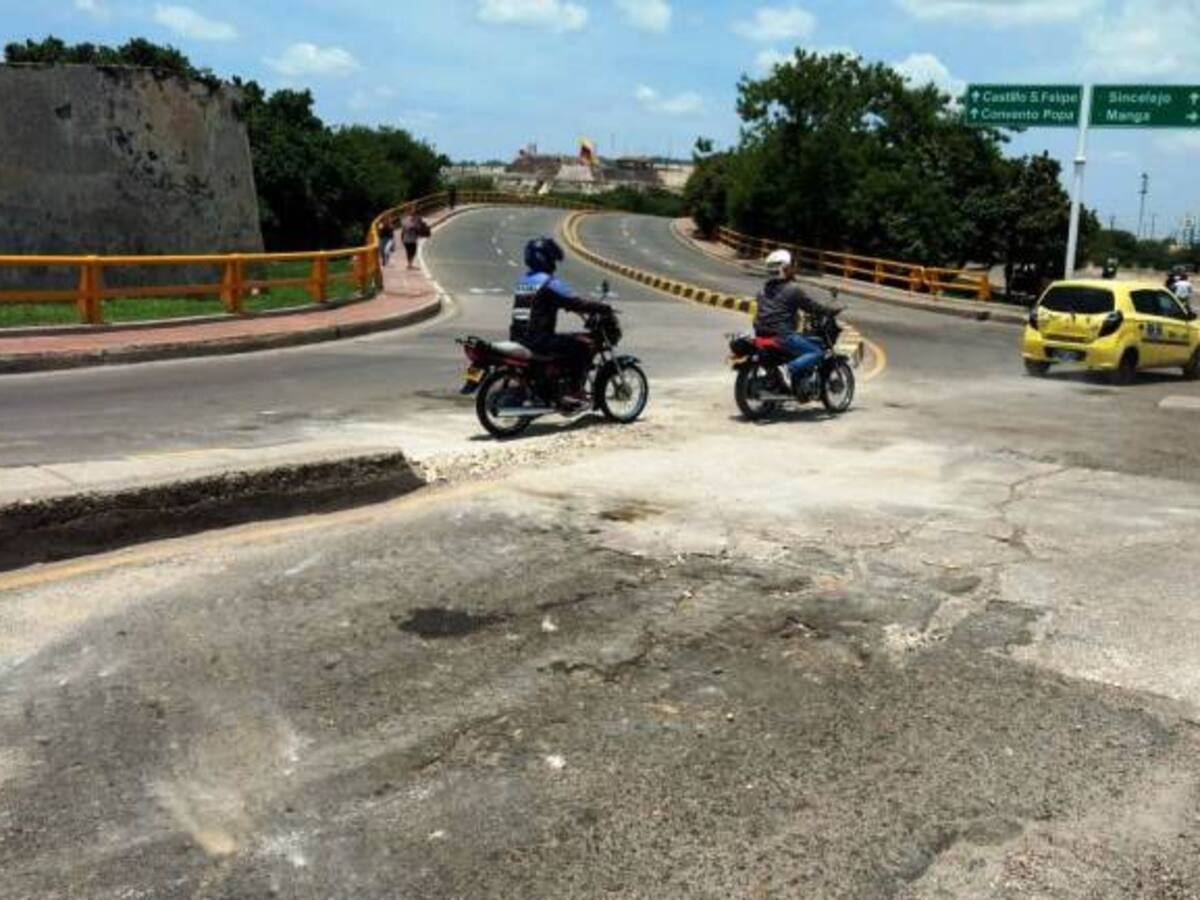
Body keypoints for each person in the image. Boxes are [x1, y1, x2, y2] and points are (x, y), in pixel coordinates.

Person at [511, 237, 610, 404]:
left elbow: (545, 304)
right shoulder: (548, 282)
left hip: (518, 337)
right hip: (539, 340)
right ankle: (574, 391)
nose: (554, 263)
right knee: (581, 346)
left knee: (564, 343)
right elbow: (575, 302)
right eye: (552, 258)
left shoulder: (524, 280)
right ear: (546, 258)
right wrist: (602, 308)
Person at [753, 248, 834, 393]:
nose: (794, 269)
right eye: (791, 266)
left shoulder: (762, 290)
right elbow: (811, 306)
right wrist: (829, 311)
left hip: (761, 335)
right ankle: (788, 369)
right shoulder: (793, 289)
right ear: (785, 269)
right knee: (817, 352)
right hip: (782, 336)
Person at [399, 206, 431, 270]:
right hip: (408, 237)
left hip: (410, 237)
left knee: (411, 251)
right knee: (411, 251)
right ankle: (410, 265)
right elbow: (408, 227)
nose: (413, 210)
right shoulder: (406, 218)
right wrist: (415, 225)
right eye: (412, 209)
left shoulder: (407, 218)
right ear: (408, 210)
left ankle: (410, 264)